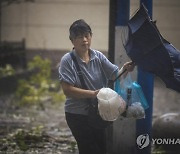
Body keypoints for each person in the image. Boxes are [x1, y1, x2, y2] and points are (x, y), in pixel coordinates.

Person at [58, 19, 135, 154]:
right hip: (76, 115)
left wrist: (125, 68)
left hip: (98, 113)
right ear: (72, 40)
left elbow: (114, 75)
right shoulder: (67, 60)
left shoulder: (98, 56)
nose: (85, 40)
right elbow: (67, 90)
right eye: (79, 37)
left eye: (87, 35)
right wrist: (93, 94)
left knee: (101, 149)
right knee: (89, 149)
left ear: (91, 36)